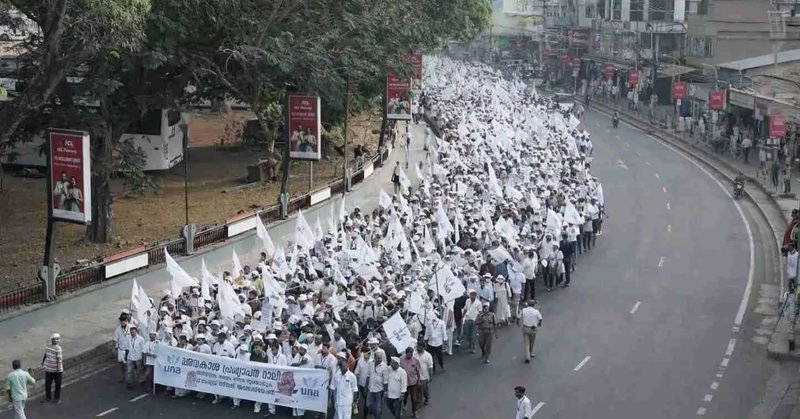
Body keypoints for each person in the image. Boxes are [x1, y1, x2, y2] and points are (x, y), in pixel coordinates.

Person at [331, 353, 358, 419]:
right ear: (340, 367)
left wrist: (354, 402)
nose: (345, 367)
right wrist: (330, 400)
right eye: (342, 366)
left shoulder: (352, 376)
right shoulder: (337, 375)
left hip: (347, 403)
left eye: (345, 365)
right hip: (338, 401)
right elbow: (332, 388)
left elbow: (355, 390)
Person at [399, 346, 422, 418]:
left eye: (411, 354)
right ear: (406, 353)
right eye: (408, 354)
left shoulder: (416, 361)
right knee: (404, 396)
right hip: (404, 383)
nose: (410, 355)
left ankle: (414, 412)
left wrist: (419, 381)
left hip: (413, 382)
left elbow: (418, 372)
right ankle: (404, 404)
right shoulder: (401, 359)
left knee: (414, 398)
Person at [41, 332, 63, 404]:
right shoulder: (48, 347)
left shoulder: (58, 348)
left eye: (57, 339)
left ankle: (56, 398)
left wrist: (58, 369)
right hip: (49, 369)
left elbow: (59, 360)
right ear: (52, 340)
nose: (56, 340)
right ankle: (48, 397)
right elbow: (46, 354)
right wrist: (43, 361)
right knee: (47, 384)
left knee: (57, 385)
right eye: (55, 339)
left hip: (57, 370)